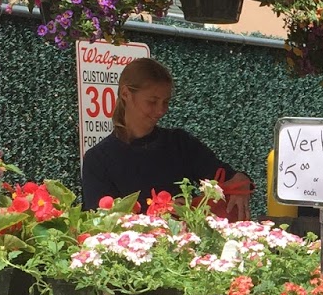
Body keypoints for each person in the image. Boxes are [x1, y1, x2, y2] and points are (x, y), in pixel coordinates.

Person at [81, 58, 252, 216]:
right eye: (152, 101)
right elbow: (99, 224)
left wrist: (240, 186)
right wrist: (160, 214)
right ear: (126, 94)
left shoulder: (180, 143)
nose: (161, 110)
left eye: (166, 102)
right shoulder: (98, 160)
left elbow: (230, 178)